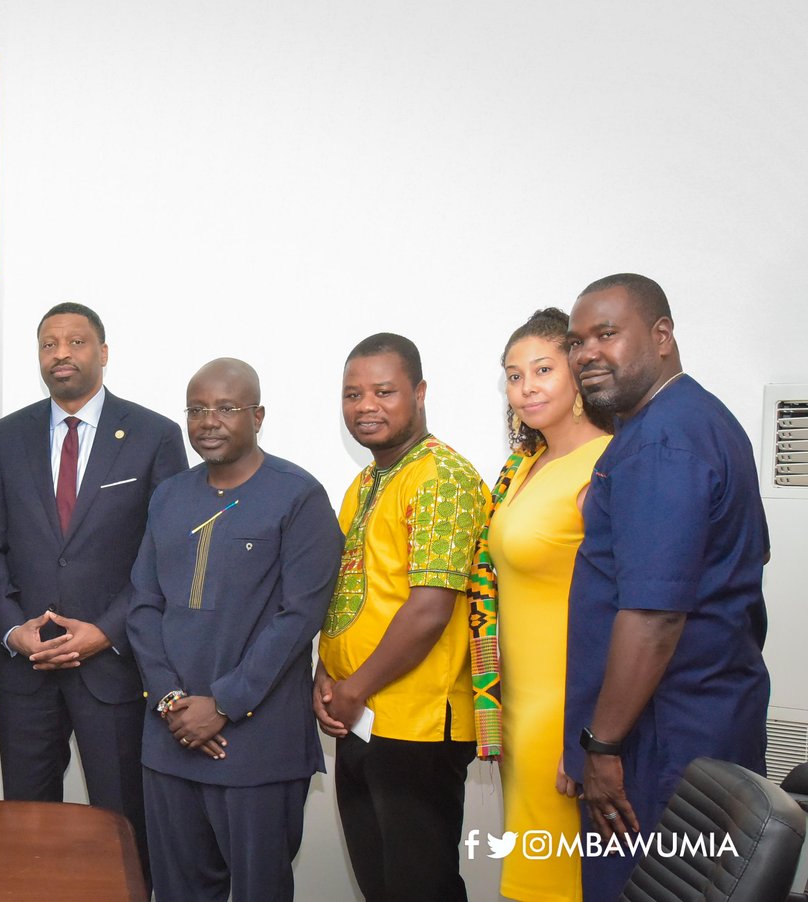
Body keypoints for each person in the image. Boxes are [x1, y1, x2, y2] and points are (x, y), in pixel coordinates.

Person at [562, 274, 771, 902]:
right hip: (691, 729)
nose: (586, 353)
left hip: (656, 748)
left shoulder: (663, 440)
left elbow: (653, 617)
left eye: (606, 334)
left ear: (661, 337)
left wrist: (602, 749)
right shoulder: (687, 419)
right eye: (575, 342)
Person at [0, 302, 187, 880]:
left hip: (114, 669)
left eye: (76, 341)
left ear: (103, 351)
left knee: (121, 825)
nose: (61, 353)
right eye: (48, 343)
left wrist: (108, 630)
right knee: (26, 825)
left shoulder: (154, 436)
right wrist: (15, 630)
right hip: (28, 669)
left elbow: (162, 552)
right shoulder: (8, 435)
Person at [128, 359, 342, 901]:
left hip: (257, 744)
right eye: (197, 409)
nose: (209, 421)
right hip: (169, 736)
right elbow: (143, 605)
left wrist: (222, 703)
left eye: (226, 408)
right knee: (176, 891)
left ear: (258, 415)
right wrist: (173, 699)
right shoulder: (169, 496)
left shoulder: (299, 497)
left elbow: (299, 619)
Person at [314, 332, 488, 902]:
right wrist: (326, 673)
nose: (366, 406)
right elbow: (346, 594)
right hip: (361, 716)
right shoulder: (366, 482)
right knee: (380, 884)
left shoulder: (442, 478)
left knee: (421, 886)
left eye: (384, 391)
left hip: (416, 727)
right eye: (353, 394)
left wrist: (354, 686)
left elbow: (430, 608)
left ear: (419, 392)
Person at [477, 308, 612, 902]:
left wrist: (590, 734)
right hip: (518, 705)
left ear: (579, 374)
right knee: (535, 875)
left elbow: (622, 607)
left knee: (559, 881)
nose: (525, 387)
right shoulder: (524, 465)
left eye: (542, 370)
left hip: (566, 709)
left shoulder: (605, 465)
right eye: (513, 375)